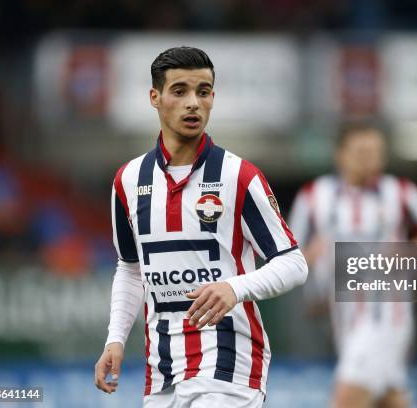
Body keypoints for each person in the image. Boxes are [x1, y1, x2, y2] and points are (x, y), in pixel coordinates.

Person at [94, 46, 308, 407]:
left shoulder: (239, 175)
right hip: (162, 373)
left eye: (203, 91)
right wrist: (115, 338)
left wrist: (234, 288)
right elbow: (130, 269)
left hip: (229, 366)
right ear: (155, 97)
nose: (193, 102)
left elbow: (294, 263)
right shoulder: (128, 181)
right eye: (180, 91)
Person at [288, 123, 417, 408]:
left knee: (346, 399)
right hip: (343, 318)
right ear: (340, 155)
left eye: (376, 152)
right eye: (361, 152)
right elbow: (289, 255)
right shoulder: (314, 196)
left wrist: (404, 253)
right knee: (390, 398)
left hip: (387, 315)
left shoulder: (401, 192)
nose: (369, 159)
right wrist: (311, 263)